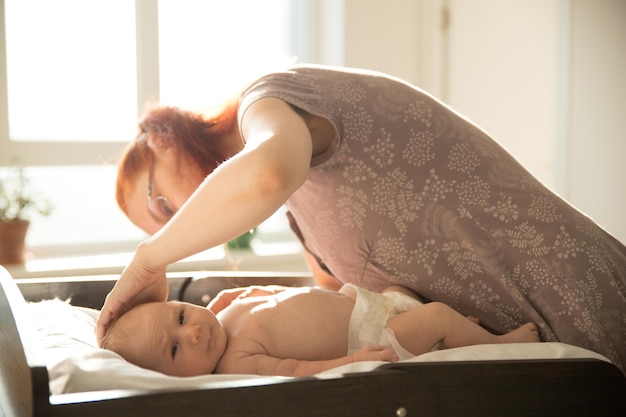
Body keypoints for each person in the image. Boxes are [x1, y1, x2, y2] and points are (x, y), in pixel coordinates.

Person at [96, 64, 626, 373]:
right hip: (527, 337)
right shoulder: (302, 213)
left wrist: (153, 256)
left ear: (159, 135)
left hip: (560, 281)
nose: (181, 222)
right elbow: (328, 309)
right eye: (160, 226)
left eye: (161, 205)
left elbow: (265, 174)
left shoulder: (270, 100)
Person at [101, 283, 540, 377]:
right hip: (370, 338)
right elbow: (295, 369)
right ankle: (503, 344)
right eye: (176, 350)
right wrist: (352, 361)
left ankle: (456, 336)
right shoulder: (237, 361)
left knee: (401, 292)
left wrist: (245, 291)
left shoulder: (221, 310)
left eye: (180, 317)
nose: (193, 332)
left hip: (369, 304)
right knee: (436, 315)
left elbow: (273, 295)